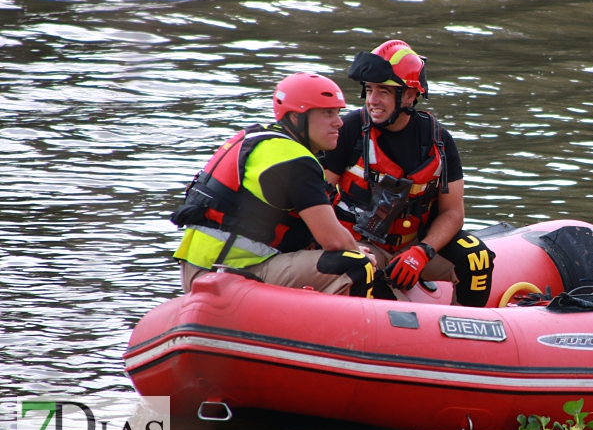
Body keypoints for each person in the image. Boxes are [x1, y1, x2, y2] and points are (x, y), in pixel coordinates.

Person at [170, 72, 380, 298]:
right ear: (297, 118)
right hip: (227, 272)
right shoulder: (294, 159)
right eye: (327, 113)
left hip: (203, 268)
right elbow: (333, 239)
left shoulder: (259, 139)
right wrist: (358, 252)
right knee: (356, 262)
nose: (338, 122)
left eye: (338, 113)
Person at [322, 40, 493, 307]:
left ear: (410, 96)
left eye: (384, 91)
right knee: (387, 302)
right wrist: (349, 249)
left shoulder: (438, 140)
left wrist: (422, 252)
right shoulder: (349, 130)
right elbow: (317, 198)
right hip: (360, 245)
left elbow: (453, 213)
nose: (372, 100)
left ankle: (465, 336)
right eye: (369, 90)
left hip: (416, 244)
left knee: (476, 257)